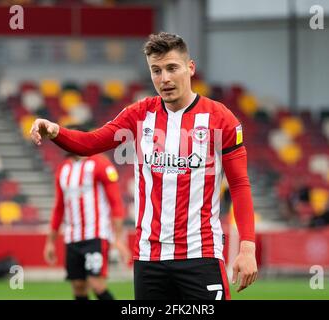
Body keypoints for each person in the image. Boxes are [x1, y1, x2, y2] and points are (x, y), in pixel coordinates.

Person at [32, 32, 257, 300]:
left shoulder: (221, 119)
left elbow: (240, 185)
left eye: (172, 68)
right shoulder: (139, 115)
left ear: (190, 67)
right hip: (150, 258)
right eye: (156, 70)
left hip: (201, 254)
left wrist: (247, 248)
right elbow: (90, 143)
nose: (165, 79)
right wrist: (56, 131)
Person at [43, 150, 131, 300]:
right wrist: (50, 242)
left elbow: (116, 202)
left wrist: (117, 238)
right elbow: (58, 207)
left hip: (95, 235)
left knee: (96, 284)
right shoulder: (63, 169)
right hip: (72, 237)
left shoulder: (100, 164)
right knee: (78, 286)